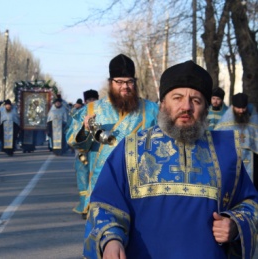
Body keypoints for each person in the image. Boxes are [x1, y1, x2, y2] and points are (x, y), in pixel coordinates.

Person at [83, 60, 258, 259]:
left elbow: (250, 204)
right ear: (163, 103)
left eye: (196, 100)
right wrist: (110, 240)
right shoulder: (130, 148)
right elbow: (105, 204)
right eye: (177, 98)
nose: (186, 107)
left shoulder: (225, 151)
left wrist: (235, 224)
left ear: (206, 109)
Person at [66, 54, 158, 216]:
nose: (125, 87)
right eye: (120, 82)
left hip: (141, 188)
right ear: (110, 83)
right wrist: (86, 129)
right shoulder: (92, 110)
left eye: (130, 81)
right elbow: (75, 143)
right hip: (102, 187)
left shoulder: (151, 110)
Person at [215, 93, 258, 188]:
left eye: (243, 108)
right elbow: (218, 137)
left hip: (252, 159)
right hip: (232, 156)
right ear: (233, 106)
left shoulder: (253, 118)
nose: (241, 111)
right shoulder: (225, 120)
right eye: (238, 108)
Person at [72, 89, 99, 219]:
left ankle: (95, 206)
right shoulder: (81, 114)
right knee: (83, 178)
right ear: (85, 101)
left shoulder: (104, 113)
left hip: (98, 152)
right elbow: (72, 133)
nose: (91, 102)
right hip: (83, 153)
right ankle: (84, 206)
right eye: (89, 100)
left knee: (96, 178)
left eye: (94, 99)